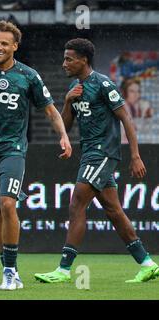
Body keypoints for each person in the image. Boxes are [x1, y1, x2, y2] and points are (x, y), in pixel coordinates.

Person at [34, 38, 159, 284]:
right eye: (64, 58)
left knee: (77, 203)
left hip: (102, 153)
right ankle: (147, 263)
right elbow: (65, 127)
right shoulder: (75, 87)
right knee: (113, 210)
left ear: (84, 60)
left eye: (69, 58)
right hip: (89, 153)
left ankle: (64, 269)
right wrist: (68, 100)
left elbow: (127, 119)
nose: (64, 63)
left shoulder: (103, 84)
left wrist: (134, 155)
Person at [0, 21, 72, 291]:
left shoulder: (28, 75)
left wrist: (63, 135)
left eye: (4, 43)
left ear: (15, 46)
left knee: (9, 204)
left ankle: (12, 273)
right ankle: (7, 271)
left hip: (13, 148)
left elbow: (49, 109)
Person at [120, 78, 153, 144]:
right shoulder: (120, 108)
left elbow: (147, 129)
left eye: (138, 91)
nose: (136, 94)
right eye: (132, 91)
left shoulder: (144, 105)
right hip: (125, 145)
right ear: (125, 92)